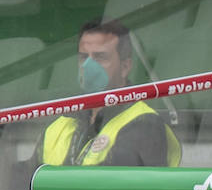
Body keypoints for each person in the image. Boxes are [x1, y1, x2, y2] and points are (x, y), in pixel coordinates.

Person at [32, 19, 180, 169]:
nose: (88, 66)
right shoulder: (61, 124)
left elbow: (116, 181)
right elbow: (25, 181)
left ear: (125, 67)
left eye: (100, 57)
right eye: (84, 57)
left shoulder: (145, 124)